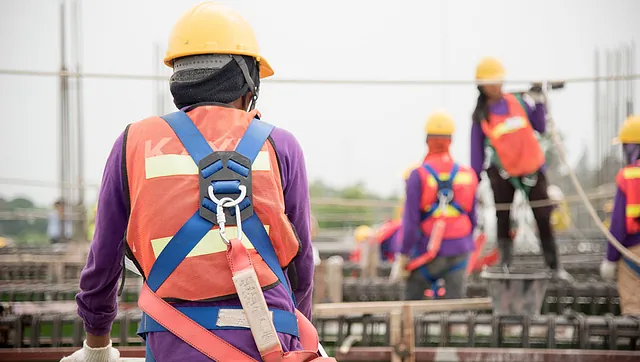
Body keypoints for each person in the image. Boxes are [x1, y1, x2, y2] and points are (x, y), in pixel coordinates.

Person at [62, 3, 334, 362]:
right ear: (247, 80)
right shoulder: (278, 144)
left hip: (173, 342)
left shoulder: (133, 143)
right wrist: (299, 336)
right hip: (270, 342)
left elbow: (103, 262)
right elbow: (300, 266)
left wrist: (96, 345)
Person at [470, 57, 573, 282]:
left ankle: (554, 267)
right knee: (503, 217)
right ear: (481, 85)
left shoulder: (519, 101)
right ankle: (505, 265)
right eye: (490, 83)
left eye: (498, 81)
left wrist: (538, 100)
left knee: (543, 215)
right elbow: (476, 154)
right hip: (502, 172)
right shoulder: (481, 115)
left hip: (532, 170)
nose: (495, 86)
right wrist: (472, 185)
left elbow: (540, 126)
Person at [392, 111, 478, 300]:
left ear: (427, 140)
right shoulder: (468, 174)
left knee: (412, 296)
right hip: (461, 250)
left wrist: (403, 256)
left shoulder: (419, 175)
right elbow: (473, 219)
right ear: (451, 140)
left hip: (429, 254)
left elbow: (410, 223)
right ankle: (454, 326)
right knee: (454, 307)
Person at [600, 115, 640, 315]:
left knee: (634, 311)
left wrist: (611, 258)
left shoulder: (629, 177)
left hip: (633, 252)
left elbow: (618, 226)